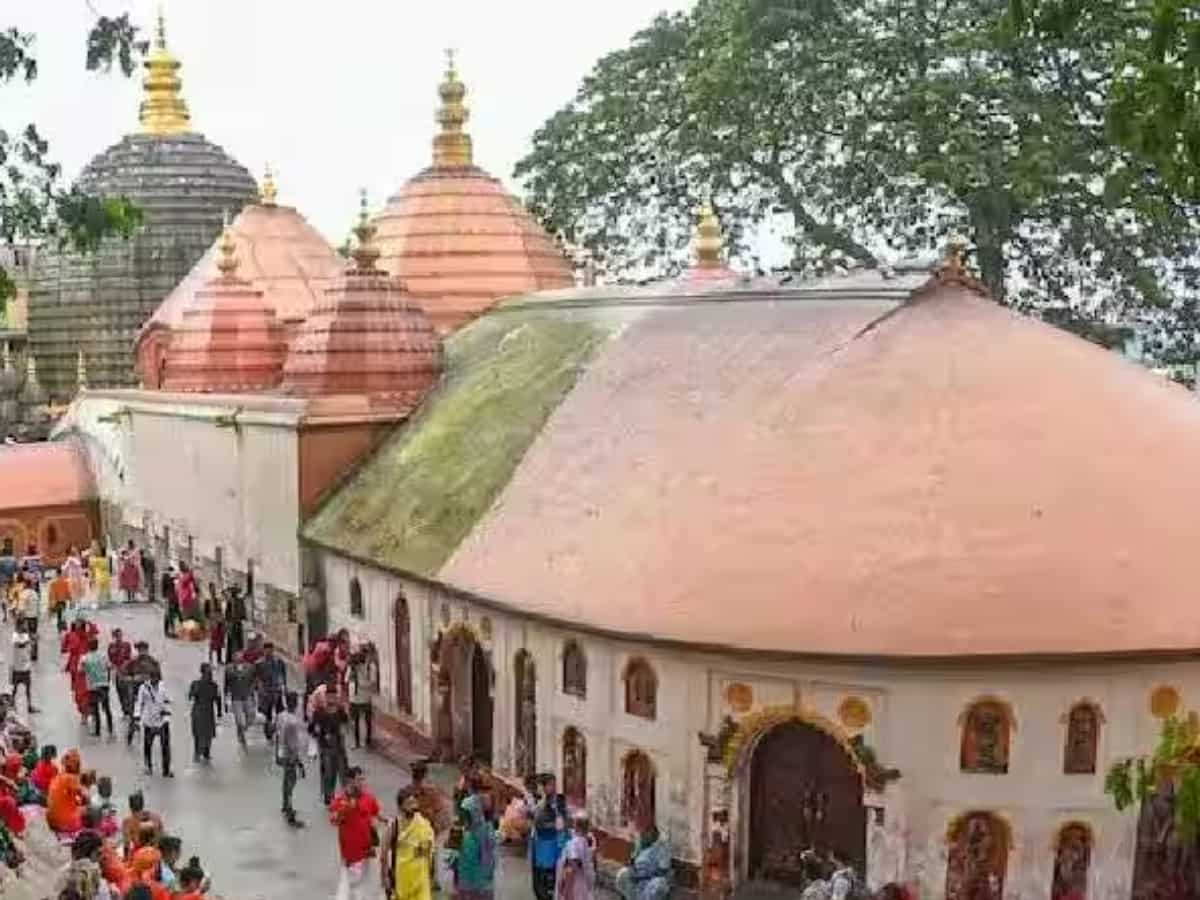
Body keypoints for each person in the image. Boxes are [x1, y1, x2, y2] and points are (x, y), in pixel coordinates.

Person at [330, 766, 382, 900]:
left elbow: (376, 814)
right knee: (352, 885)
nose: (363, 782)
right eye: (359, 780)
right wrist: (347, 808)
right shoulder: (340, 800)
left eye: (363, 779)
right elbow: (334, 820)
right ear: (350, 781)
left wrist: (383, 821)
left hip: (368, 850)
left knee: (367, 883)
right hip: (351, 854)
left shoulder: (369, 798)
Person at [383, 789, 434, 900]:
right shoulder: (393, 826)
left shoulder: (423, 824)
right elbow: (384, 854)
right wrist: (385, 877)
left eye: (414, 803)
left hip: (420, 878)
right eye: (409, 804)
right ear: (401, 806)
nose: (413, 807)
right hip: (401, 878)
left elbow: (430, 848)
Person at [531, 773, 569, 900]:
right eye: (550, 785)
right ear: (543, 787)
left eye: (554, 784)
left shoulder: (560, 802)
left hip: (559, 849)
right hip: (544, 851)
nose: (553, 788)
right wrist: (554, 825)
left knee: (559, 885)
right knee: (544, 886)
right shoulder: (540, 807)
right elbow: (539, 825)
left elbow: (565, 822)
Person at [311, 682, 349, 805]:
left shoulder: (339, 710)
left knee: (342, 770)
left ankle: (346, 794)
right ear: (325, 696)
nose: (331, 698)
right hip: (325, 746)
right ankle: (328, 795)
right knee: (328, 772)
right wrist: (320, 734)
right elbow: (312, 728)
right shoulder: (319, 711)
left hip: (338, 743)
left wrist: (341, 708)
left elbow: (345, 720)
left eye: (333, 696)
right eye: (329, 696)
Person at [457, 788, 497, 900]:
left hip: (481, 882)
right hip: (465, 881)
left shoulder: (485, 829)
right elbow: (454, 853)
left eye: (467, 813)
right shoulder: (462, 831)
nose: (464, 816)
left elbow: (490, 851)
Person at [615, 823, 673, 900]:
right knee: (623, 874)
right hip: (637, 879)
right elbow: (632, 861)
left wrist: (644, 875)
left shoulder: (661, 848)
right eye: (643, 833)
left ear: (654, 835)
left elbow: (662, 871)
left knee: (659, 884)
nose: (643, 835)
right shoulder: (640, 845)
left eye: (647, 833)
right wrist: (632, 870)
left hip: (650, 880)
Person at [275, 690, 306, 827]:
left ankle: (284, 804)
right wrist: (298, 760)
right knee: (291, 781)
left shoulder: (281, 716)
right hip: (289, 755)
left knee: (286, 779)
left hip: (281, 751)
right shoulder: (293, 722)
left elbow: (277, 734)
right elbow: (293, 744)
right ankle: (289, 809)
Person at [134, 671, 172, 777]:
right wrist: (137, 716)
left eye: (157, 678)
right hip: (149, 721)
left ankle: (166, 769)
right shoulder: (144, 688)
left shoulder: (163, 687)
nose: (155, 680)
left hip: (162, 720)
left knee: (165, 746)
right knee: (148, 745)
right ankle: (148, 766)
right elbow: (139, 702)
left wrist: (167, 710)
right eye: (153, 678)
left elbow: (168, 700)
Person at [53, 830, 106, 899]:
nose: (102, 857)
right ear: (92, 853)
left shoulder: (68, 869)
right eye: (99, 853)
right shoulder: (81, 874)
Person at [47, 748, 87, 834]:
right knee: (89, 810)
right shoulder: (72, 779)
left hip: (51, 820)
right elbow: (82, 798)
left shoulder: (58, 775)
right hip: (65, 823)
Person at [187, 663, 222, 763]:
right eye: (207, 673)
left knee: (208, 733)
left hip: (208, 711)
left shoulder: (213, 685)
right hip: (199, 711)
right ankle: (197, 753)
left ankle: (206, 752)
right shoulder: (196, 684)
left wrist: (219, 712)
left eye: (210, 673)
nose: (209, 675)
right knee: (198, 733)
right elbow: (190, 695)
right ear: (202, 673)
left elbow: (218, 699)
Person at [556, 814, 596, 900]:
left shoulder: (575, 843)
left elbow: (572, 866)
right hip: (583, 881)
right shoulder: (586, 841)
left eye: (574, 824)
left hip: (574, 883)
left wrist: (566, 889)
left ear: (577, 826)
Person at [222, 650, 256, 747]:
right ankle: (240, 735)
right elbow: (226, 684)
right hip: (236, 698)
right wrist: (225, 698)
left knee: (251, 716)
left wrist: (253, 691)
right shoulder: (228, 669)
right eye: (236, 657)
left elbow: (253, 680)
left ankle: (243, 729)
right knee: (239, 720)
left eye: (240, 657)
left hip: (247, 696)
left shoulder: (250, 667)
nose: (238, 659)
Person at [82, 637, 114, 738]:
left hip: (92, 686)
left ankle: (97, 731)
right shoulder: (104, 656)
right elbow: (109, 667)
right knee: (107, 708)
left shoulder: (85, 658)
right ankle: (110, 729)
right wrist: (107, 679)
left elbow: (81, 670)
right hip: (104, 684)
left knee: (95, 709)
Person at [254, 641, 287, 740]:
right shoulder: (259, 663)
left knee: (279, 711)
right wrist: (259, 689)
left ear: (273, 650)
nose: (268, 652)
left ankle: (277, 729)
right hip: (265, 691)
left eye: (270, 650)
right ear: (264, 650)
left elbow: (283, 675)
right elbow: (256, 677)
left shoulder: (279, 662)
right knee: (267, 713)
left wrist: (284, 686)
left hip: (276, 689)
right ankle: (268, 731)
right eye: (266, 650)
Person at [349, 645, 379, 750]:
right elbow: (347, 679)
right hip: (358, 696)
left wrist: (360, 680)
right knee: (358, 720)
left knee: (365, 720)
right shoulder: (355, 666)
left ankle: (365, 741)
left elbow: (372, 682)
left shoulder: (369, 667)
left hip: (362, 696)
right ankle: (360, 742)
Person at [121, 791, 164, 859]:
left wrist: (126, 860)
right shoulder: (156, 817)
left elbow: (127, 844)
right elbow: (162, 835)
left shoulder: (127, 822)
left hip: (139, 855)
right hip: (155, 854)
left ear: (130, 806)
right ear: (143, 804)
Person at [10, 619, 36, 714]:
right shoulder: (15, 635)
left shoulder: (25, 635)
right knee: (15, 688)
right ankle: (11, 704)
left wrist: (32, 642)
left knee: (28, 688)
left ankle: (29, 706)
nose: (25, 626)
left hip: (26, 666)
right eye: (23, 625)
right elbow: (18, 644)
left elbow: (30, 646)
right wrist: (28, 642)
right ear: (19, 625)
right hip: (17, 666)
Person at [107, 629, 134, 720]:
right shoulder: (111, 646)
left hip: (126, 671)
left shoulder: (126, 645)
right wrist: (114, 668)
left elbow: (129, 658)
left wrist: (125, 666)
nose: (118, 638)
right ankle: (125, 710)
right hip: (116, 671)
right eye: (116, 636)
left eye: (120, 635)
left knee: (127, 691)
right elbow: (110, 659)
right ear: (114, 636)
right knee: (119, 691)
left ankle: (130, 710)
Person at [16, 574, 39, 661]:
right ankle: (34, 653)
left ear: (25, 584)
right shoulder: (35, 594)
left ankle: (25, 654)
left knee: (24, 635)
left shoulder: (24, 594)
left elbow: (21, 608)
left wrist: (18, 616)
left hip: (26, 617)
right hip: (34, 617)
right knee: (33, 634)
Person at [160, 566, 179, 637]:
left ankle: (170, 631)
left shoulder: (173, 578)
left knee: (171, 615)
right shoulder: (167, 578)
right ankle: (169, 631)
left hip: (172, 599)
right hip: (169, 599)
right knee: (169, 615)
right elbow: (164, 588)